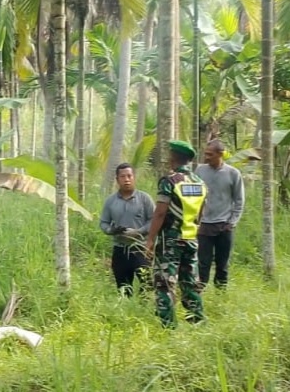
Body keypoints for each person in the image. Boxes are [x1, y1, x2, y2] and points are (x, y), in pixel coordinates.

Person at [144, 140, 207, 327]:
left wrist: (150, 239)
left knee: (165, 282)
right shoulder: (200, 183)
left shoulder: (169, 181)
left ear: (174, 157)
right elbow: (200, 213)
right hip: (191, 238)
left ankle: (168, 326)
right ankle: (197, 320)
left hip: (170, 240)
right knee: (190, 282)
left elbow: (161, 212)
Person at [99, 163, 155, 295]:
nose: (127, 179)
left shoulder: (145, 199)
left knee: (146, 285)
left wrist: (139, 232)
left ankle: (143, 310)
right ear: (117, 179)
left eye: (129, 176)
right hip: (120, 249)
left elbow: (153, 220)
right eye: (122, 176)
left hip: (140, 248)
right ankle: (126, 310)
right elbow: (104, 222)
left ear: (134, 177)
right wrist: (111, 230)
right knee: (123, 289)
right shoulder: (110, 201)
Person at [196, 139, 245, 288]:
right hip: (204, 225)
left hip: (224, 226)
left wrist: (232, 222)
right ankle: (199, 294)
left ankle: (220, 294)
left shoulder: (233, 173)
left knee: (222, 265)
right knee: (202, 263)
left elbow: (239, 199)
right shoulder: (199, 171)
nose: (207, 157)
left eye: (210, 154)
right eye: (206, 154)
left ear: (220, 154)